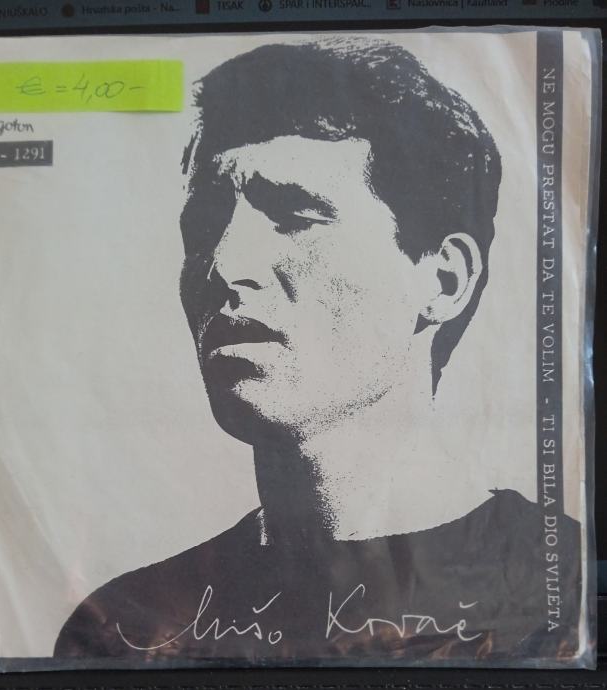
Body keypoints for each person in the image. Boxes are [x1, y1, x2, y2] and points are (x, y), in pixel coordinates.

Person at [55, 37, 580, 664]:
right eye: (203, 225)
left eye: (295, 216)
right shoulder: (130, 623)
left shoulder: (564, 587)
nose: (225, 265)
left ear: (444, 280)